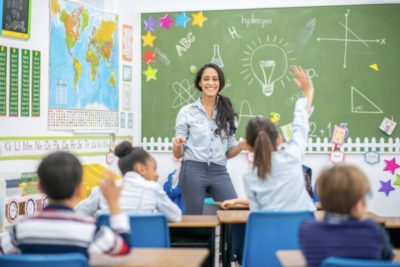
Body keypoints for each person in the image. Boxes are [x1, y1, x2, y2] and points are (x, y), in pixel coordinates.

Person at [0, 152, 130, 257]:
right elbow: (123, 248)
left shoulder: (21, 229)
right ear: (79, 190)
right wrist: (113, 203)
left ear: (40, 188)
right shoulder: (90, 229)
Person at [241, 66, 316, 212]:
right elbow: (300, 126)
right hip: (302, 233)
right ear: (279, 139)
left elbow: (257, 214)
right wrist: (308, 91)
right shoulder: (293, 158)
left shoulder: (249, 175)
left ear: (247, 146)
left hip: (268, 235)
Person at [173, 63, 244, 215]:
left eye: (215, 79)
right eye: (206, 79)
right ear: (200, 83)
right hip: (192, 170)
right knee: (194, 220)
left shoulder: (228, 113)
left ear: (220, 83)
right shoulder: (187, 112)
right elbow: (178, 154)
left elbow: (228, 152)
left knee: (235, 212)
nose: (210, 83)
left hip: (219, 171)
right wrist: (177, 145)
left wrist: (241, 145)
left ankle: (230, 240)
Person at [300, 165, 396, 267]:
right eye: (367, 195)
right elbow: (388, 259)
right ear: (359, 204)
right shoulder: (373, 230)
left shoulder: (308, 229)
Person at [75, 141, 182, 222]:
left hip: (111, 248)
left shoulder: (105, 190)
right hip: (147, 248)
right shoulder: (153, 189)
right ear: (141, 169)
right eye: (154, 169)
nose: (157, 174)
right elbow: (176, 216)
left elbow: (77, 212)